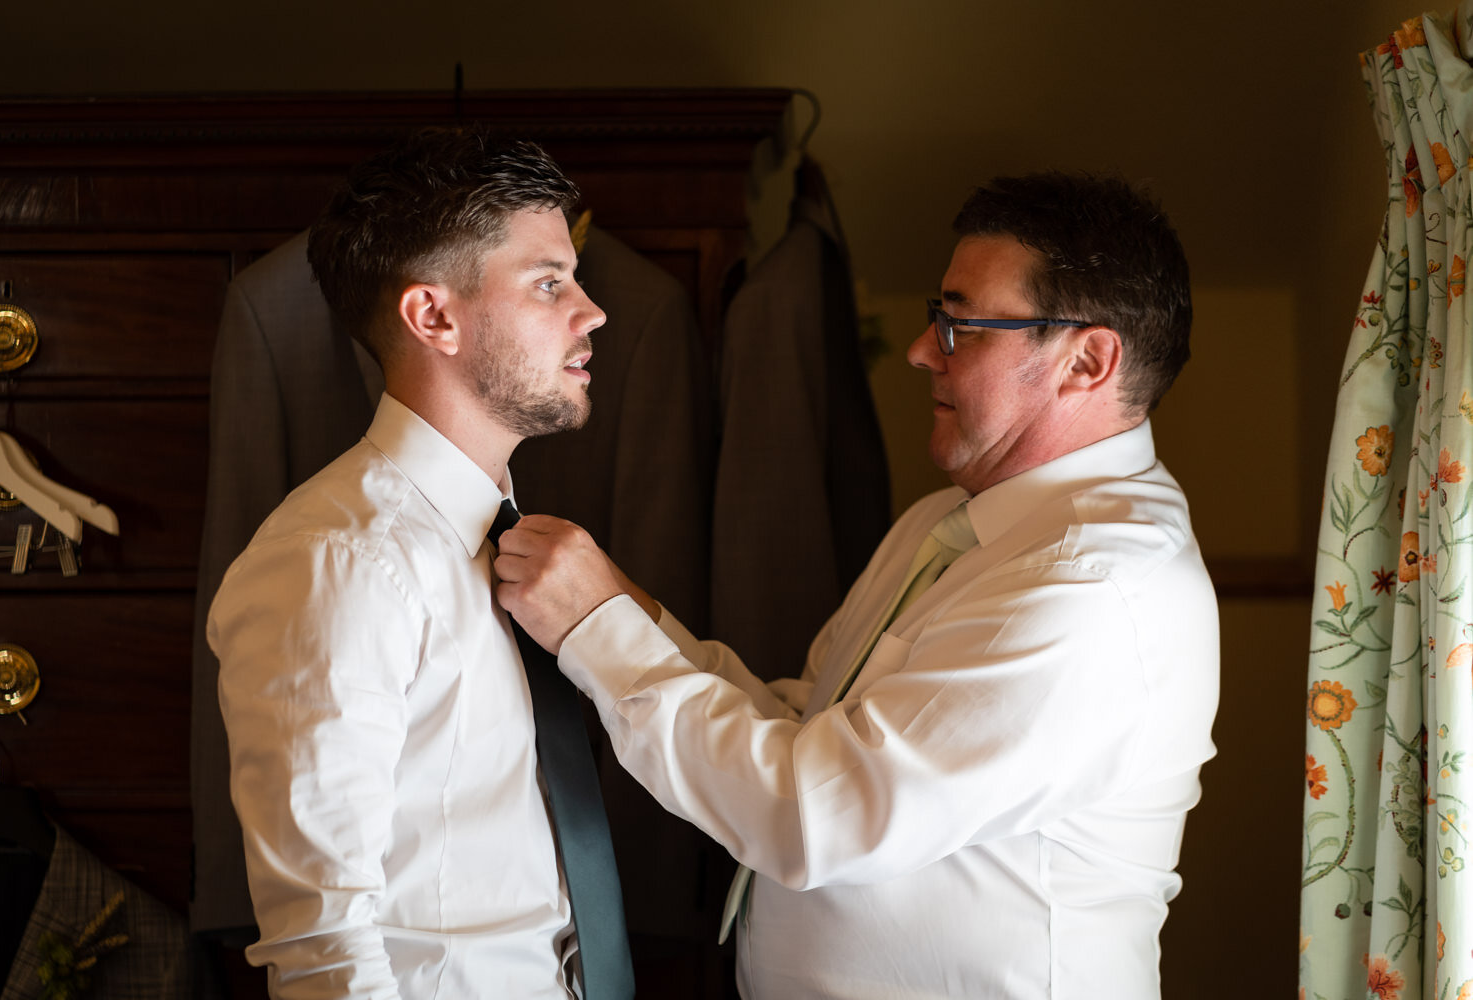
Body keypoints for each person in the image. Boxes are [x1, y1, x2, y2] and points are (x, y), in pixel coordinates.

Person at [493, 171, 1221, 999]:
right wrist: (632, 614)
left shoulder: (1091, 585)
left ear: (1087, 360)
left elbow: (816, 814)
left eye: (961, 325)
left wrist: (597, 630)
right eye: (934, 319)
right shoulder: (948, 524)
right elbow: (808, 725)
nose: (920, 350)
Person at [207, 127, 621, 999]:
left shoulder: (503, 537)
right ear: (433, 315)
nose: (592, 313)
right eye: (550, 284)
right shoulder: (336, 564)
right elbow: (322, 943)